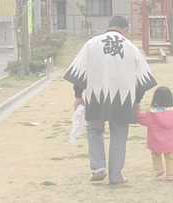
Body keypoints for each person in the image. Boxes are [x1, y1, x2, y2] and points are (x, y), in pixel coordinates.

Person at [64, 15, 158, 186]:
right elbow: (143, 80)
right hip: (123, 99)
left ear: (108, 27)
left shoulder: (92, 44)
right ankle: (116, 177)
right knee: (119, 137)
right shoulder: (131, 48)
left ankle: (98, 166)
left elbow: (79, 71)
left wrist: (78, 95)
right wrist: (137, 100)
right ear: (125, 30)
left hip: (95, 96)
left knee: (93, 130)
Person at [137, 87, 173, 181]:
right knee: (171, 157)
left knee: (155, 154)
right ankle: (170, 174)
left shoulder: (151, 115)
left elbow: (140, 119)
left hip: (156, 142)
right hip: (172, 142)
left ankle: (159, 168)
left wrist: (137, 108)